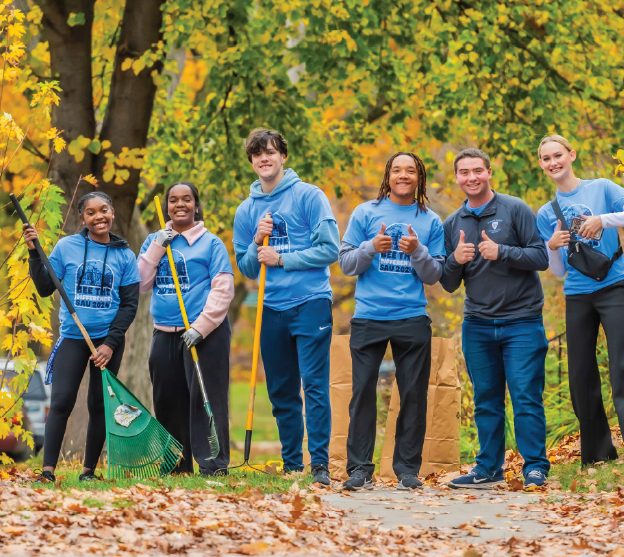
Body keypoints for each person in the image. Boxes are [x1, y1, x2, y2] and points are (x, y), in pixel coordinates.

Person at [535, 134, 624, 465]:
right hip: (577, 295)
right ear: (542, 165)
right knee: (580, 374)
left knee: (623, 363)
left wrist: (604, 219)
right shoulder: (546, 213)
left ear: (571, 155)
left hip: (614, 285)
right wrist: (552, 246)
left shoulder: (602, 188)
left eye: (557, 155)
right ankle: (598, 452)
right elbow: (558, 272)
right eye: (546, 158)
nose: (552, 162)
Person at [232, 128, 339, 486]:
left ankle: (320, 464)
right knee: (281, 390)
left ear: (283, 157)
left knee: (314, 386)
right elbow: (246, 268)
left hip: (310, 302)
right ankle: (293, 463)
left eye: (271, 152)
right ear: (251, 161)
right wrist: (257, 241)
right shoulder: (246, 211)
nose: (265, 158)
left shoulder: (309, 197)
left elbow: (330, 250)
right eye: (258, 154)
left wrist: (281, 258)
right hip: (271, 308)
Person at [440, 148, 551, 489]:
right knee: (486, 398)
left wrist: (502, 251)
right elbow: (447, 283)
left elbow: (540, 257)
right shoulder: (452, 223)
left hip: (521, 321)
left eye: (477, 170)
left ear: (489, 172)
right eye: (464, 172)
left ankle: (535, 467)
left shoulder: (514, 208)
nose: (471, 177)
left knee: (524, 395)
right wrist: (456, 259)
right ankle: (488, 467)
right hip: (477, 324)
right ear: (457, 178)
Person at [338, 152, 445, 491]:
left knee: (413, 394)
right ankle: (359, 470)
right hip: (368, 316)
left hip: (412, 317)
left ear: (419, 178)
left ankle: (407, 469)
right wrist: (371, 246)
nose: (403, 175)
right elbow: (346, 264)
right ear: (388, 175)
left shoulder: (431, 221)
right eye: (397, 170)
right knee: (362, 394)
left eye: (410, 171)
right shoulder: (364, 213)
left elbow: (434, 275)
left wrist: (416, 250)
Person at [23, 191, 141, 483]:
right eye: (91, 212)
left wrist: (110, 344)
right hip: (74, 338)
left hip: (108, 341)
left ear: (112, 212)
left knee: (99, 405)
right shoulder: (67, 247)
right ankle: (48, 470)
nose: (98, 216)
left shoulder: (125, 256)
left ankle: (88, 471)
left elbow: (129, 305)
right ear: (83, 218)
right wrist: (34, 252)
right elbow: (43, 287)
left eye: (104, 210)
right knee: (62, 400)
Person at [138, 181, 234, 475]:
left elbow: (223, 288)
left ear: (196, 204)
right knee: (167, 398)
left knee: (205, 398)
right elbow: (140, 284)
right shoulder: (156, 240)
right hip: (164, 332)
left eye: (187, 199)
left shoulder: (211, 243)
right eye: (173, 200)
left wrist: (201, 327)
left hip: (205, 334)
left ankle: (212, 464)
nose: (180, 204)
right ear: (166, 205)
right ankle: (177, 464)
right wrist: (157, 247)